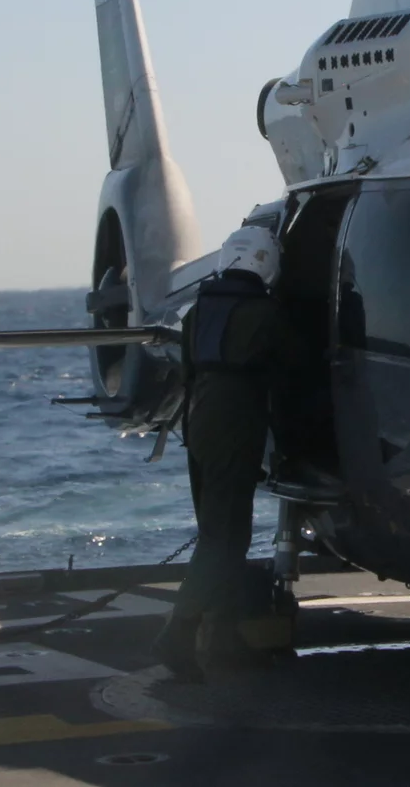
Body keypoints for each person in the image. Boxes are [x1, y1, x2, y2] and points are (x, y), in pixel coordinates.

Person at [153, 224, 297, 679]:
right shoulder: (265, 314)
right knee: (224, 535)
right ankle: (178, 634)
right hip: (234, 422)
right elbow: (293, 374)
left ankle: (222, 636)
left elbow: (188, 372)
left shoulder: (199, 310)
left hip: (198, 420)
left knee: (222, 532)